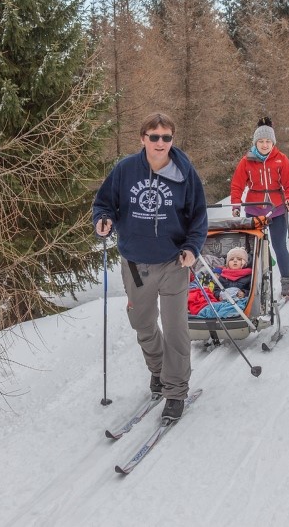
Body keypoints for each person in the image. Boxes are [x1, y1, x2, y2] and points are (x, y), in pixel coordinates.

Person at [92, 112, 208, 421]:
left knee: (175, 330)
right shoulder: (126, 170)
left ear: (173, 139)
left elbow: (199, 217)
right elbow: (104, 203)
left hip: (173, 262)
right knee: (141, 323)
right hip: (135, 263)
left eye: (166, 137)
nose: (160, 143)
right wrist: (103, 220)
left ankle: (175, 391)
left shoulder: (185, 173)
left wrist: (191, 248)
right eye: (154, 137)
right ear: (143, 138)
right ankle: (158, 370)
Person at [230, 117, 289, 297]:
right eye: (261, 141)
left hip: (276, 209)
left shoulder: (280, 159)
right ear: (256, 142)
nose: (265, 145)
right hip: (254, 209)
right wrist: (236, 204)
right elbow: (237, 184)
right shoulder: (247, 161)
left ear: (273, 142)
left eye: (268, 141)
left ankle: (286, 281)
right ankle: (251, 283)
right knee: (254, 248)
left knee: (279, 245)